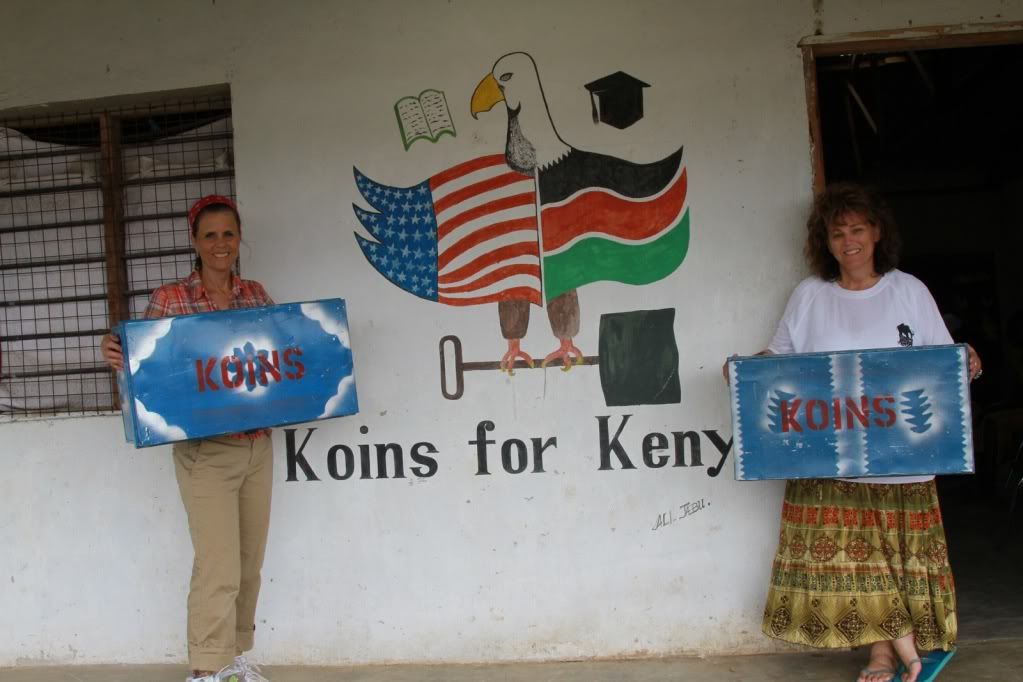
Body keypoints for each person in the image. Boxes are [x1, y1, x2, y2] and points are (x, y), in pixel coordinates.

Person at [725, 183, 982, 682]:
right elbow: (780, 359)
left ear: (877, 232)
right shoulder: (810, 295)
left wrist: (969, 359)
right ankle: (886, 655)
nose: (849, 241)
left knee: (890, 561)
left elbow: (942, 361)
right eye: (837, 233)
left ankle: (894, 655)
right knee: (857, 562)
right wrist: (743, 372)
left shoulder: (909, 291)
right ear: (824, 241)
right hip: (829, 457)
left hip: (902, 458)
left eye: (857, 229)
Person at [102, 195, 273, 682]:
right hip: (206, 449)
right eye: (210, 235)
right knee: (219, 565)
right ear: (194, 242)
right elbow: (144, 362)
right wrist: (116, 351)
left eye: (229, 234)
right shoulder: (171, 298)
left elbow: (280, 357)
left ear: (239, 239)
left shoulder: (256, 294)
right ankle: (205, 669)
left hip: (257, 445)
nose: (221, 244)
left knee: (248, 563)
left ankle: (233, 657)